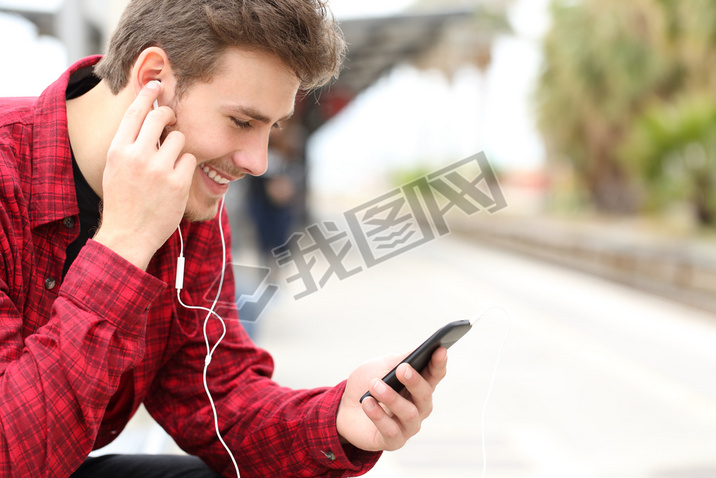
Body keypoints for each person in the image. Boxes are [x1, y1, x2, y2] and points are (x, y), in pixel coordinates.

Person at [0, 1, 448, 477]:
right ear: (153, 77)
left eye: (272, 128)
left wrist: (338, 420)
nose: (257, 162)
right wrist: (124, 244)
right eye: (241, 121)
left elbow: (215, 397)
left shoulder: (189, 200)